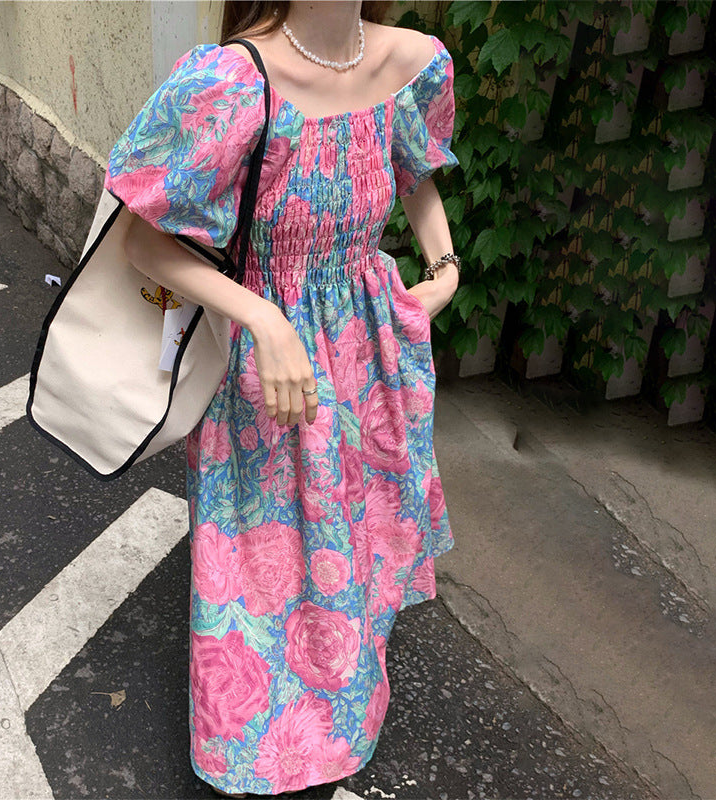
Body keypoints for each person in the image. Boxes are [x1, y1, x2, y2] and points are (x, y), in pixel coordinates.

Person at [103, 1, 460, 795]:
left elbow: (416, 173)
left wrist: (444, 269)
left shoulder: (410, 63)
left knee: (353, 549)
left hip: (371, 364)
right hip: (268, 376)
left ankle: (341, 714)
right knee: (266, 573)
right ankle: (266, 752)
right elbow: (140, 238)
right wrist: (262, 316)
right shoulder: (232, 81)